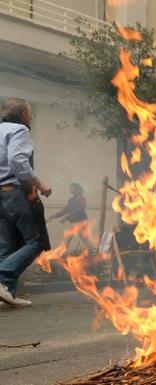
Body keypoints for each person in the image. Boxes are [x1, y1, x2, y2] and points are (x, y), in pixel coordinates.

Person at [0, 98, 52, 307]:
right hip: (13, 193)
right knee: (36, 241)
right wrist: (39, 184)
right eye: (30, 113)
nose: (31, 117)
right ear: (23, 115)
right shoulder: (20, 131)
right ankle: (2, 278)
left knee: (6, 246)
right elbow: (18, 160)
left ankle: (6, 296)